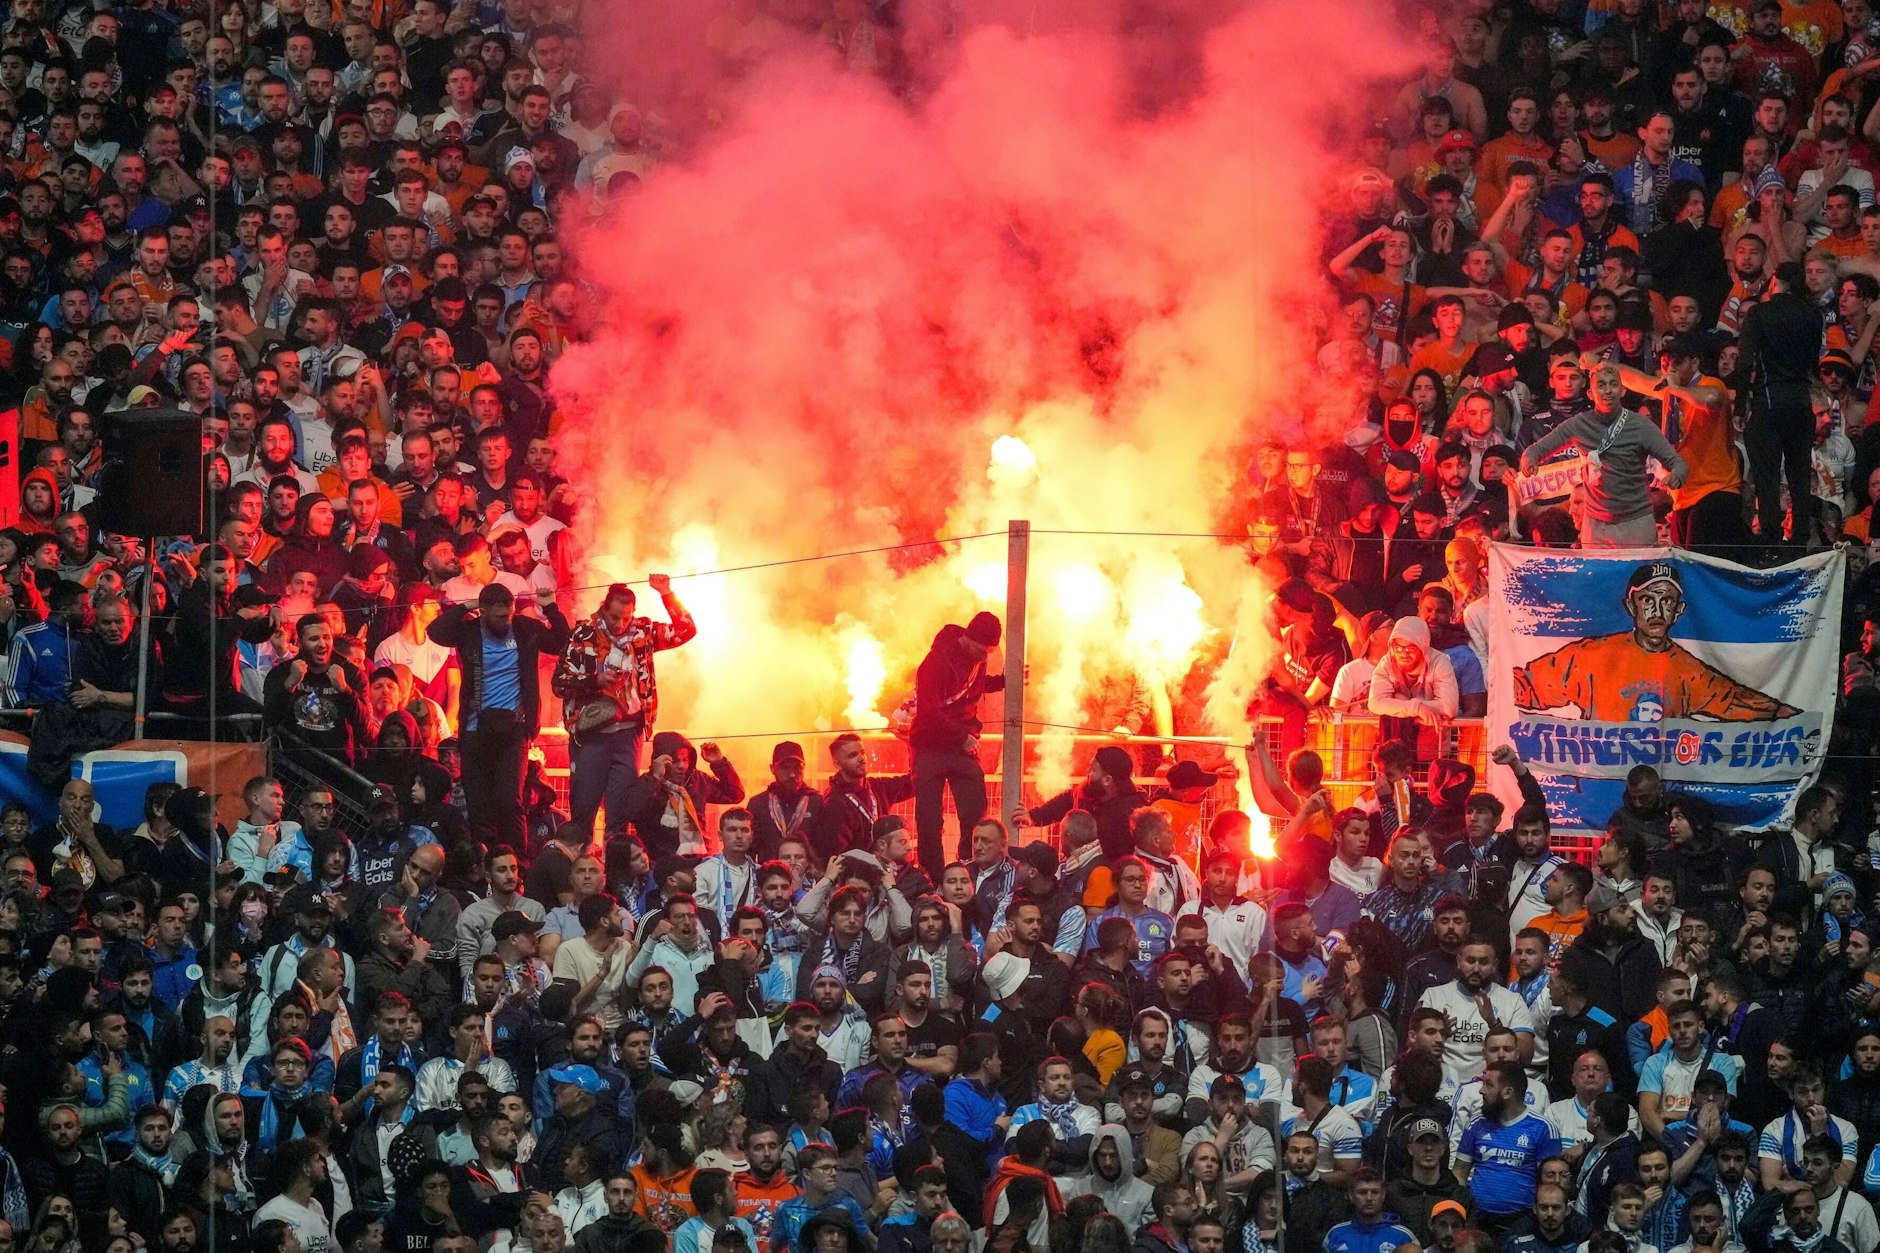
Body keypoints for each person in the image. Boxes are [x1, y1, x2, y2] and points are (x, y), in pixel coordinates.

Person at [428, 582, 570, 851]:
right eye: (498, 616)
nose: (506, 621)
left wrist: (550, 607)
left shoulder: (524, 628)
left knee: (510, 802)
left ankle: (518, 864)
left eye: (509, 614)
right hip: (474, 728)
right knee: (479, 805)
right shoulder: (469, 631)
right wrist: (464, 607)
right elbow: (435, 632)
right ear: (482, 612)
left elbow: (561, 642)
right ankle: (485, 867)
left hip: (515, 727)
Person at [553, 578, 697, 838]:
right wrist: (594, 682)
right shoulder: (582, 635)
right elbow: (559, 683)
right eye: (615, 617)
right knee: (583, 813)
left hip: (628, 735)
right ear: (604, 609)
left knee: (619, 815)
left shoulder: (643, 632)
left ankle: (615, 875)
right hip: (590, 736)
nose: (620, 624)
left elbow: (686, 630)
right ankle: (581, 872)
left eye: (626, 618)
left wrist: (666, 594)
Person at [909, 611, 1005, 878]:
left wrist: (1003, 683)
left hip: (960, 743)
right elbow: (929, 712)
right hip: (931, 746)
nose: (986, 655)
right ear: (967, 638)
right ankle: (934, 878)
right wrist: (962, 738)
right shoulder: (935, 662)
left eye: (990, 650)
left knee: (975, 812)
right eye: (982, 648)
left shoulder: (976, 659)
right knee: (929, 821)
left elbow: (974, 685)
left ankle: (967, 870)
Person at [1742, 261, 1829, 549]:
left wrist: (1741, 405)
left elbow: (1745, 363)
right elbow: (1812, 361)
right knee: (1799, 472)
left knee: (1767, 474)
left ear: (1775, 280)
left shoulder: (1760, 313)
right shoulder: (1812, 315)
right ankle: (1800, 537)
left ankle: (1769, 538)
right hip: (1800, 398)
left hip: (1768, 398)